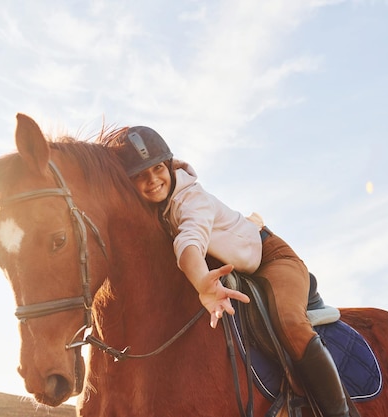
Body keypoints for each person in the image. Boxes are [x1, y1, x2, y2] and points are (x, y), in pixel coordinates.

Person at [105, 126, 350, 417]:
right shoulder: (150, 209)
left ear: (169, 165)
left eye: (158, 168)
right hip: (232, 264)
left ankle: (339, 412)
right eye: (140, 176)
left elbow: (190, 242)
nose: (153, 180)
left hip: (270, 259)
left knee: (289, 322)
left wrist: (201, 282)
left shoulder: (190, 200)